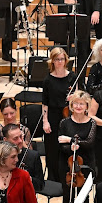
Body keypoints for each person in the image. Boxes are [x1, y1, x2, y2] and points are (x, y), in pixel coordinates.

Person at [58, 91, 97, 203]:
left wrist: (71, 141)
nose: (78, 106)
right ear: (71, 105)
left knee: (83, 197)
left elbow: (90, 143)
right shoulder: (64, 123)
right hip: (67, 165)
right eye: (75, 103)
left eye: (81, 103)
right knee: (68, 196)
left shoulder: (92, 122)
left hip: (86, 164)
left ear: (87, 106)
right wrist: (70, 146)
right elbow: (60, 144)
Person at [48, 0, 101, 72]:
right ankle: (64, 79)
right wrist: (65, 0)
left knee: (83, 51)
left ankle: (80, 82)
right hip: (65, 20)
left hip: (84, 17)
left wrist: (96, 11)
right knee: (63, 52)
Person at [42, 47, 77, 182]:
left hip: (68, 117)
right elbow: (45, 103)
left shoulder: (72, 77)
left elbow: (80, 97)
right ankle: (53, 179)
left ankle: (66, 177)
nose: (60, 62)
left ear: (66, 60)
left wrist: (73, 98)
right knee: (52, 149)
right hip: (52, 116)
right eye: (57, 59)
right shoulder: (48, 80)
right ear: (52, 61)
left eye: (62, 59)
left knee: (66, 148)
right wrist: (45, 121)